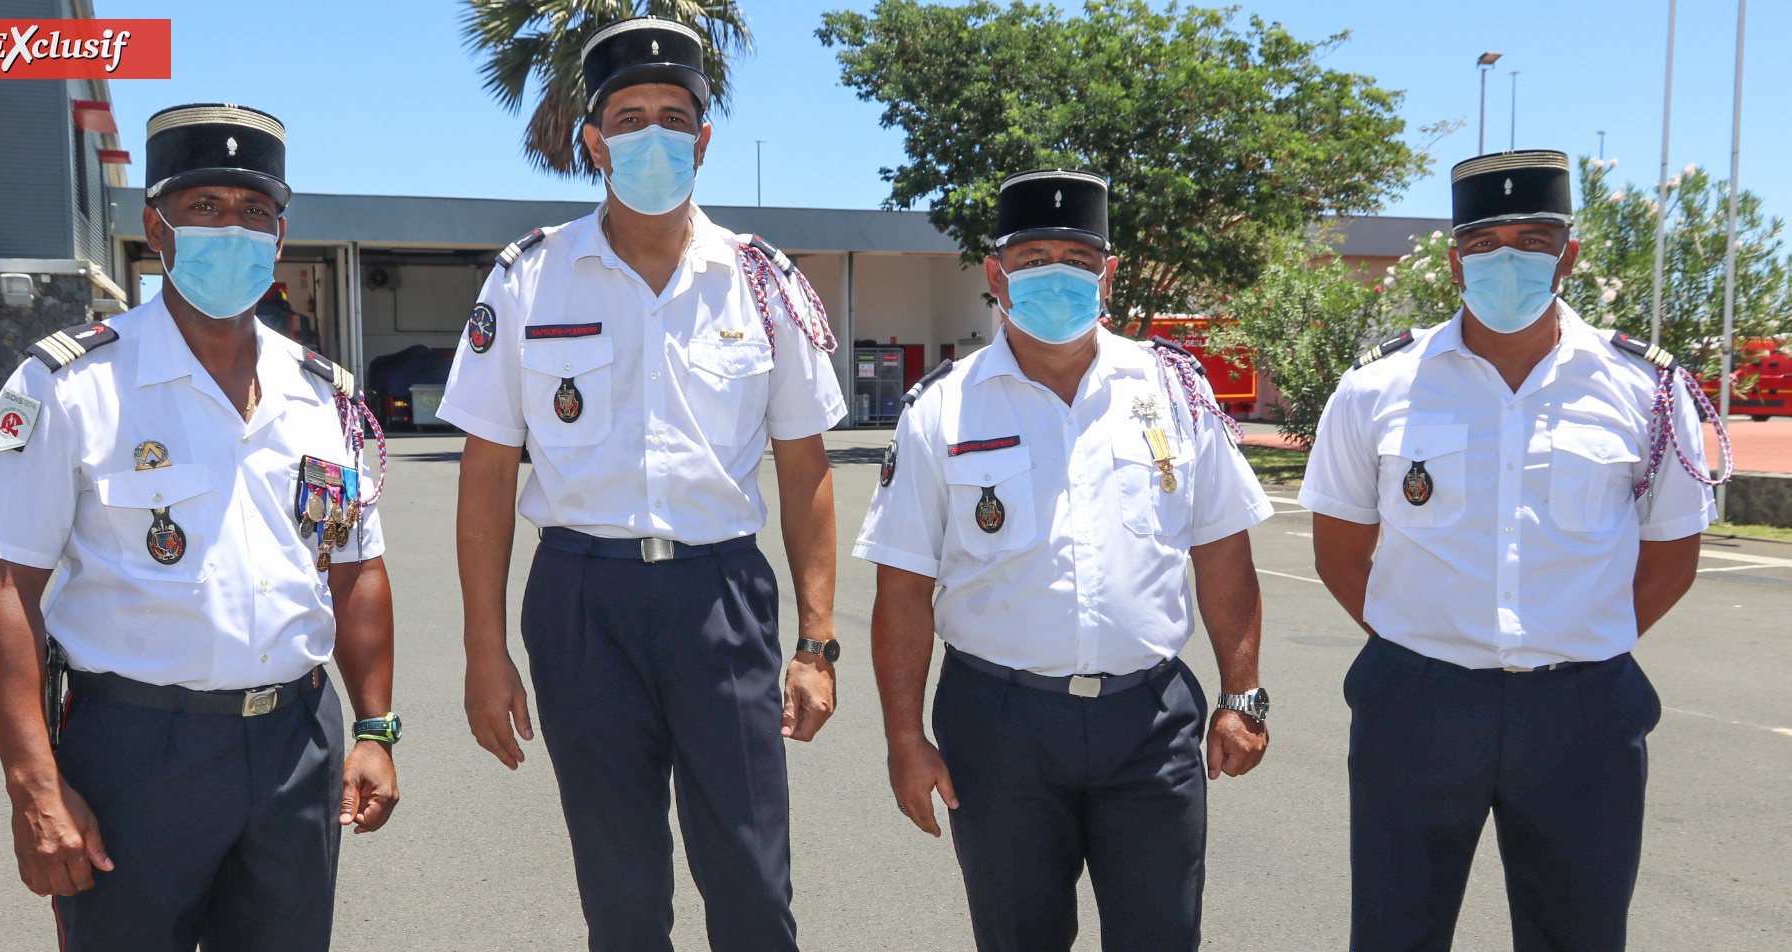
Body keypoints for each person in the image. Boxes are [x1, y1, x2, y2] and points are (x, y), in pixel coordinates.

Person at [438, 17, 846, 952]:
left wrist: (816, 642)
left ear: (703, 140)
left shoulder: (761, 282)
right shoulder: (528, 279)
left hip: (721, 597)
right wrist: (483, 651)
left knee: (752, 885)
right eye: (628, 118)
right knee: (619, 896)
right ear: (593, 141)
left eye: (673, 117)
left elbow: (805, 468)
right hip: (581, 600)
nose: (652, 135)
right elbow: (487, 474)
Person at [0, 103, 401, 951]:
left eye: (254, 210)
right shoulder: (70, 384)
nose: (232, 230)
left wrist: (376, 728)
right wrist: (34, 786)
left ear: (279, 235)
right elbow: (3, 588)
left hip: (296, 742)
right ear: (157, 228)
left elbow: (355, 568)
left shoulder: (323, 396)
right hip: (135, 752)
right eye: (205, 207)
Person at [1301, 149, 1724, 952]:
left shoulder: (1645, 388)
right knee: (1394, 933)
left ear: (1567, 255)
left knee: (1579, 935)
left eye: (1532, 241)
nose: (1507, 260)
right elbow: (1339, 551)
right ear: (1454, 259)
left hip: (1581, 710)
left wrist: (1575, 638)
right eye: (1484, 242)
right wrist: (1424, 642)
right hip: (1416, 704)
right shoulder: (1376, 386)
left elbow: (1671, 557)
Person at [853, 169, 1273, 952]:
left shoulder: (1174, 391)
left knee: (1161, 936)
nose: (1057, 274)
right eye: (1034, 257)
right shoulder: (940, 407)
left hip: (1149, 721)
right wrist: (903, 739)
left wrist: (1241, 695)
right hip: (999, 725)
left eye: (1077, 259)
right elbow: (903, 586)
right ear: (995, 274)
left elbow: (1221, 546)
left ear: (1107, 274)